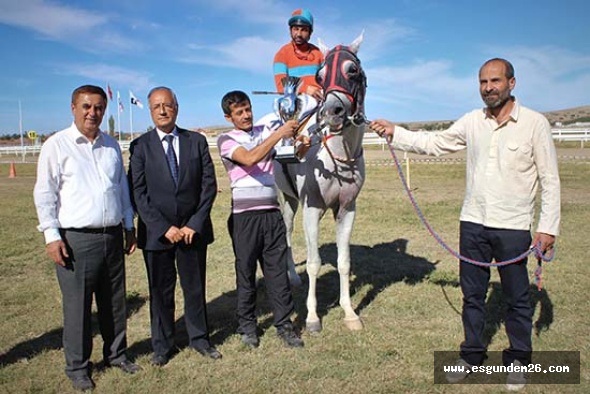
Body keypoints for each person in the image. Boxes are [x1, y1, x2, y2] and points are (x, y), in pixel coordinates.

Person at [370, 58, 560, 391]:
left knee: (517, 297)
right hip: (472, 223)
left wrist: (548, 227)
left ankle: (518, 359)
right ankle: (471, 355)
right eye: (483, 82)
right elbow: (436, 143)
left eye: (495, 81)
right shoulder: (473, 121)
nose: (489, 87)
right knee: (472, 295)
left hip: (514, 227)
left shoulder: (534, 124)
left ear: (511, 83)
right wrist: (395, 132)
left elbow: (550, 179)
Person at [33, 85, 140, 392]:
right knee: (78, 307)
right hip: (76, 240)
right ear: (73, 107)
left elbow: (121, 189)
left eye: (98, 107)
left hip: (111, 235)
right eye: (86, 106)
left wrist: (128, 225)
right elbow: (44, 195)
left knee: (114, 303)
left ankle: (117, 355)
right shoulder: (57, 145)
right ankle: (78, 367)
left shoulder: (110, 146)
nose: (93, 112)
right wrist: (52, 237)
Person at [128, 87, 219, 366]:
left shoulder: (196, 142)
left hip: (192, 233)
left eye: (167, 105)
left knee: (194, 288)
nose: (163, 110)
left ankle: (199, 339)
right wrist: (162, 227)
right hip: (158, 236)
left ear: (176, 107)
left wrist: (193, 223)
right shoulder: (140, 146)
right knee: (160, 292)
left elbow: (208, 186)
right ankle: (162, 346)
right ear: (151, 110)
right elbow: (137, 192)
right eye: (157, 106)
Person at [217, 90, 305, 349]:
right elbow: (250, 158)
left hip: (271, 214)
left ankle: (284, 325)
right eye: (239, 112)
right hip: (244, 218)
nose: (246, 115)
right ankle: (248, 327)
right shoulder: (226, 139)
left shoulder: (264, 131)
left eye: (248, 109)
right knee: (246, 274)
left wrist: (301, 146)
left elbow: (288, 155)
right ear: (228, 117)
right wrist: (278, 134)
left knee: (277, 273)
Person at [273, 8, 324, 101]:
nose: (299, 34)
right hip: (296, 103)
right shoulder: (281, 54)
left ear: (310, 32)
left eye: (304, 30)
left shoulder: (319, 54)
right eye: (296, 29)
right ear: (290, 30)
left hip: (321, 100)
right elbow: (281, 86)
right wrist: (306, 89)